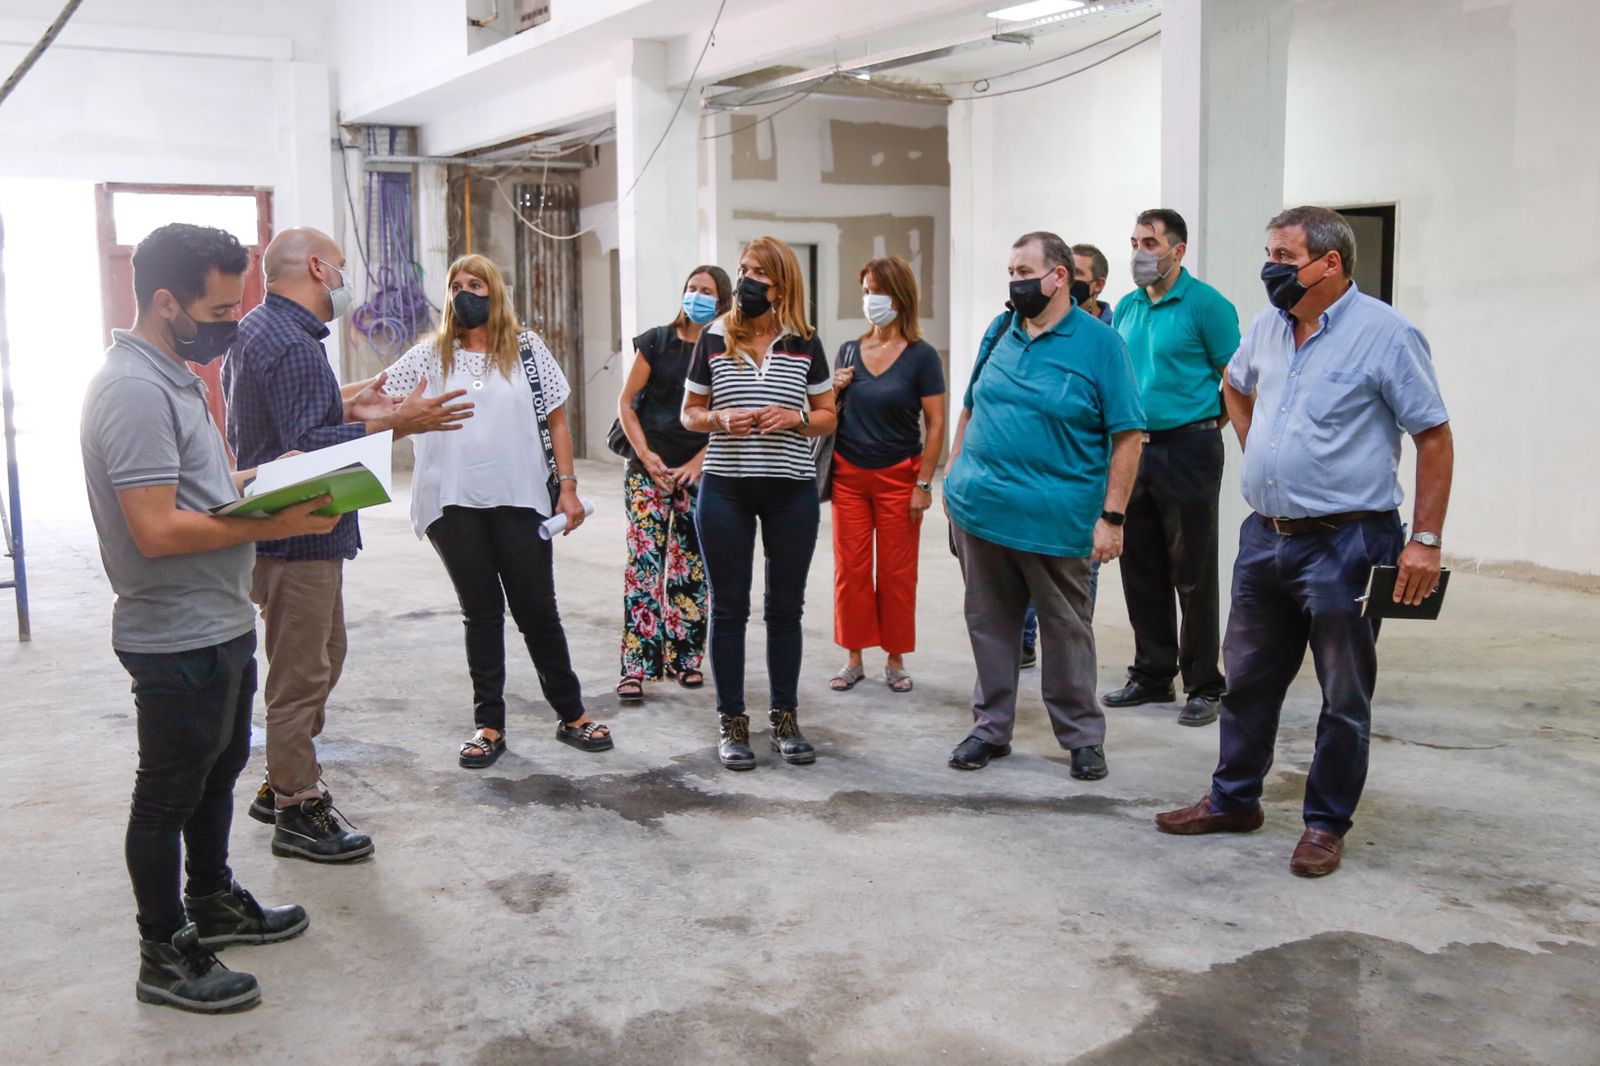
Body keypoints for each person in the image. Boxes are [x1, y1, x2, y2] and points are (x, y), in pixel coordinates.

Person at [81, 223, 335, 1012]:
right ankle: (163, 951)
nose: (231, 324)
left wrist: (277, 477)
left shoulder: (178, 374)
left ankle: (214, 899)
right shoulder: (132, 390)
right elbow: (156, 529)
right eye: (221, 310)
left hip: (218, 618)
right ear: (165, 302)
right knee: (166, 795)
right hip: (173, 632)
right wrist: (274, 524)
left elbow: (207, 486)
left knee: (218, 772)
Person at [1156, 206, 1453, 879]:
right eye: (1270, 253)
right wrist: (1260, 446)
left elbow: (1433, 435)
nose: (1271, 269)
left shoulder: (1387, 334)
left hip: (1350, 542)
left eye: (1285, 257)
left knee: (1342, 694)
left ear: (1330, 263)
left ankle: (1324, 824)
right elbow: (1232, 383)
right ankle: (1234, 800)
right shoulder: (1267, 327)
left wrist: (1426, 541)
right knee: (1249, 684)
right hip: (1266, 538)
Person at [224, 227, 473, 862]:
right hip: (297, 531)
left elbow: (296, 414)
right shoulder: (292, 344)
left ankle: (280, 779)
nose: (342, 281)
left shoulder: (262, 330)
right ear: (314, 267)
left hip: (289, 533)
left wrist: (358, 400)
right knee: (302, 674)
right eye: (337, 268)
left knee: (323, 656)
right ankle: (296, 808)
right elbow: (305, 450)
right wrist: (400, 423)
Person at [381, 254, 610, 768]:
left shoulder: (527, 351)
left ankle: (571, 714)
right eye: (456, 285)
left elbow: (558, 422)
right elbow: (378, 401)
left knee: (537, 610)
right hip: (452, 500)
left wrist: (568, 489)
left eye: (475, 284)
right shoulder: (429, 355)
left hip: (521, 497)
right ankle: (489, 724)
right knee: (480, 612)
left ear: (495, 292)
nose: (464, 293)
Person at [944, 231, 1144, 780]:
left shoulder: (1101, 345)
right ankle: (990, 729)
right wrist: (955, 470)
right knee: (989, 623)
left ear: (1060, 277)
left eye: (1025, 271)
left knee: (1065, 630)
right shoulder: (1000, 329)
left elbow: (1128, 435)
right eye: (1010, 272)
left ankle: (1081, 736)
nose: (1016, 282)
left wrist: (1113, 518)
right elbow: (970, 404)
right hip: (980, 511)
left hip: (1058, 520)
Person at [680, 236, 838, 770]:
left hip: (791, 489)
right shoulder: (715, 337)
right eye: (742, 270)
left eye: (757, 274)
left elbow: (827, 415)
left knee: (784, 609)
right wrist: (719, 419)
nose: (745, 281)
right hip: (725, 486)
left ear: (782, 284)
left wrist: (795, 418)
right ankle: (732, 722)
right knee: (729, 608)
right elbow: (689, 413)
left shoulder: (805, 341)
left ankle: (786, 719)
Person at [1101, 209, 1241, 727]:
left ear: (1178, 251)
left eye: (1151, 242)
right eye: (1135, 240)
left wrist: (1205, 427)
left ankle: (1205, 682)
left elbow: (1236, 381)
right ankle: (1152, 674)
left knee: (1193, 569)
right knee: (1142, 568)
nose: (1139, 252)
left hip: (1189, 449)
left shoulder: (1208, 306)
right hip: (1135, 448)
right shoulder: (1130, 308)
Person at [827, 256, 945, 694]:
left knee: (896, 572)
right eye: (865, 291)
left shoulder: (922, 357)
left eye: (877, 290)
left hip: (900, 477)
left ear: (899, 297)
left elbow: (936, 425)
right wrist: (833, 390)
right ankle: (854, 656)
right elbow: (825, 416)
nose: (870, 300)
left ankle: (895, 659)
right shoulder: (848, 351)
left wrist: (923, 484)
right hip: (849, 476)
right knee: (851, 570)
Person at [615, 265, 730, 702]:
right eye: (691, 288)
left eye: (706, 291)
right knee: (643, 567)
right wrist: (645, 455)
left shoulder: (723, 349)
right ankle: (636, 667)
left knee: (690, 568)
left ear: (721, 303)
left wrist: (698, 463)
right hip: (648, 471)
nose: (696, 296)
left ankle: (685, 660)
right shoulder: (656, 342)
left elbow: (726, 415)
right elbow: (626, 403)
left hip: (698, 473)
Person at [1019, 243, 1114, 666]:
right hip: (1033, 479)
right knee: (1026, 565)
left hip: (1083, 483)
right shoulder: (1025, 328)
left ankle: (1071, 652)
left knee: (1077, 575)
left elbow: (1124, 428)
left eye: (1077, 273)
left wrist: (1112, 512)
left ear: (1096, 284)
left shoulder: (1107, 338)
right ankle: (1023, 641)